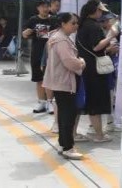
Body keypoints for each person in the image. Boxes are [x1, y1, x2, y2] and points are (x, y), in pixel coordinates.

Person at [43, 12, 86, 160]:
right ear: (63, 23)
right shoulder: (61, 39)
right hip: (64, 81)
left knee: (64, 114)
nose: (76, 25)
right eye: (72, 23)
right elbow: (69, 62)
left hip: (60, 81)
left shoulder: (58, 37)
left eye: (77, 23)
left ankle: (63, 144)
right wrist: (81, 63)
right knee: (68, 115)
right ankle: (68, 147)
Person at [76, 0, 118, 143]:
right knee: (96, 102)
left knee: (88, 101)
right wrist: (111, 36)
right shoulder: (93, 26)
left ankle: (84, 133)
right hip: (95, 69)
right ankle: (99, 135)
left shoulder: (83, 25)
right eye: (100, 10)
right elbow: (96, 47)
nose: (101, 13)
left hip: (85, 67)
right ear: (94, 10)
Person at [22, 0, 54, 114]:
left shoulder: (54, 19)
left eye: (47, 6)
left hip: (51, 53)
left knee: (49, 78)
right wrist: (26, 32)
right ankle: (42, 102)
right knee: (38, 79)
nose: (45, 9)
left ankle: (50, 102)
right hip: (37, 52)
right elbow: (24, 34)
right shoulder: (33, 20)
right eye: (42, 6)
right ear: (38, 8)